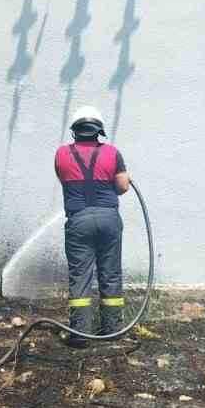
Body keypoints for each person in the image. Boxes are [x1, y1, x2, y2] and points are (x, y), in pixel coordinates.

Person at [54, 106, 130, 340]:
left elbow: (63, 179)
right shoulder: (113, 153)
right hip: (108, 219)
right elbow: (122, 187)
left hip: (79, 221)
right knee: (110, 273)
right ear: (99, 130)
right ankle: (113, 330)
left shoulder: (61, 154)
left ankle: (79, 333)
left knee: (80, 276)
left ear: (75, 131)